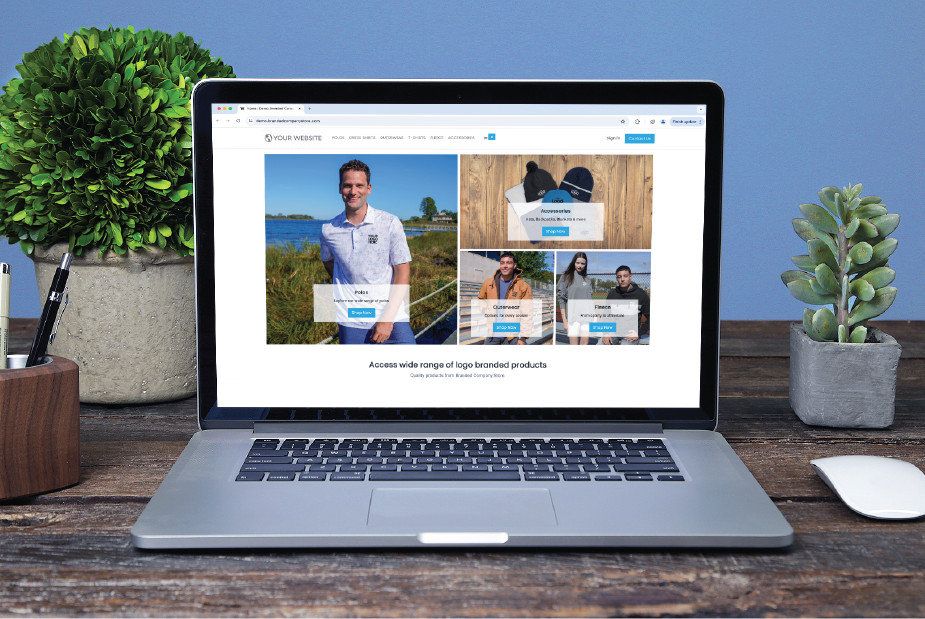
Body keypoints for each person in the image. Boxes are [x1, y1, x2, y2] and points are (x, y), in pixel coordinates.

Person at [319, 159, 415, 345]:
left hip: (393, 316)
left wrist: (386, 319)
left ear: (369, 188)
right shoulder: (328, 230)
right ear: (340, 188)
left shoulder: (389, 223)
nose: (353, 191)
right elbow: (328, 261)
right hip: (352, 320)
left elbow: (402, 271)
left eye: (359, 185)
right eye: (348, 185)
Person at [477, 252, 533, 345]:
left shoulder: (523, 286)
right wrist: (486, 310)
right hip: (493, 334)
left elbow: (527, 312)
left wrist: (523, 338)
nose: (505, 266)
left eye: (508, 263)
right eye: (502, 263)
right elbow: (481, 299)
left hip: (513, 336)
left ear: (514, 265)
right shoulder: (488, 283)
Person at [602, 265, 650, 345]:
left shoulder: (641, 294)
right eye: (619, 277)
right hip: (614, 332)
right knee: (601, 345)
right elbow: (606, 315)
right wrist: (606, 333)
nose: (622, 279)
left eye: (625, 276)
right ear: (617, 278)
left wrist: (639, 332)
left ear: (630, 277)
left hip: (630, 334)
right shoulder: (612, 294)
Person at [556, 252, 593, 345]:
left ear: (586, 264)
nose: (580, 266)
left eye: (582, 263)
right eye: (578, 263)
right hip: (573, 318)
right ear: (573, 263)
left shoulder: (587, 280)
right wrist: (565, 321)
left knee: (584, 345)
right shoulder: (566, 277)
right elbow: (561, 300)